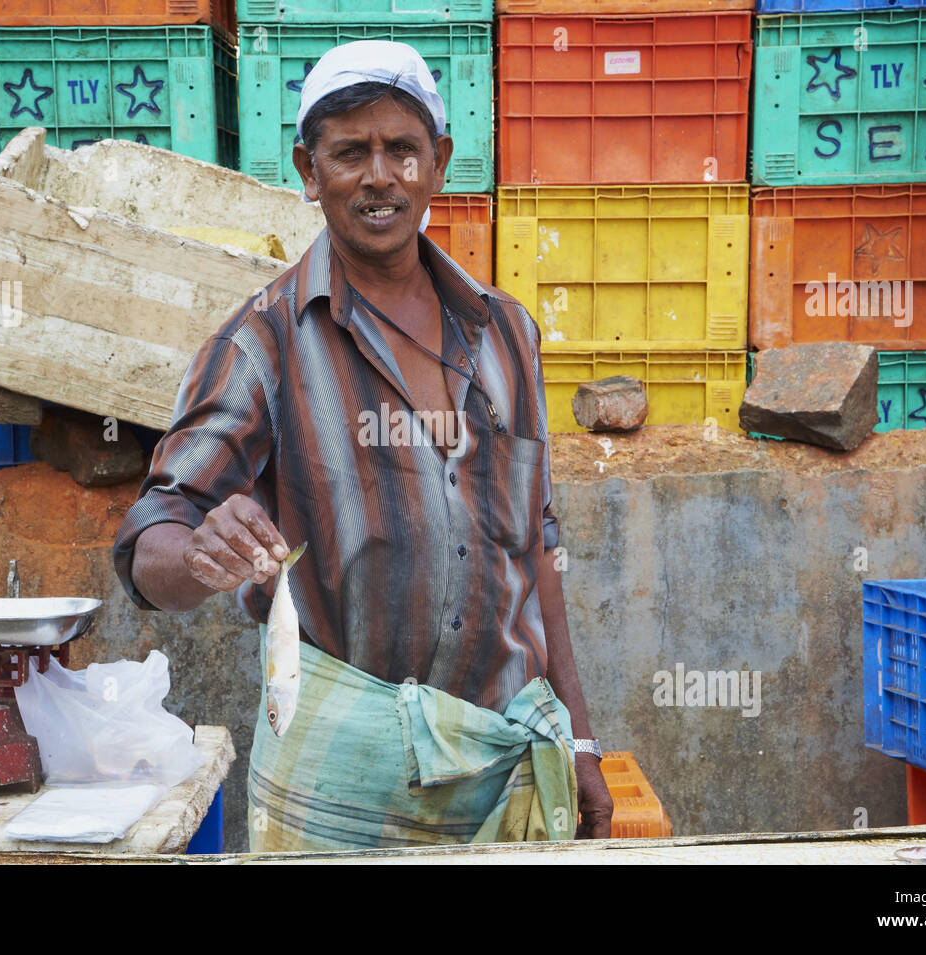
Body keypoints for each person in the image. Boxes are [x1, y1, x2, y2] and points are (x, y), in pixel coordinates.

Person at [112, 40, 613, 851]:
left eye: (401, 150)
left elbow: (537, 547)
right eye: (349, 153)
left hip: (505, 767)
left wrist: (582, 736)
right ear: (311, 172)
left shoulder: (508, 333)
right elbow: (150, 542)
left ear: (437, 163)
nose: (379, 176)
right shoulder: (262, 343)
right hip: (339, 785)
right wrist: (199, 548)